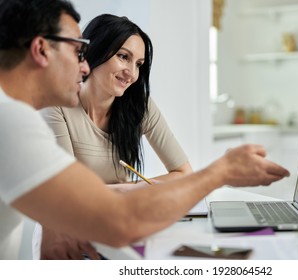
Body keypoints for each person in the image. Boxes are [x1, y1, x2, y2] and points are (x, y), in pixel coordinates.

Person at [0, 0, 290, 260]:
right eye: (78, 51)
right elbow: (115, 219)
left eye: (138, 63)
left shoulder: (12, 117)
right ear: (40, 50)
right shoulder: (12, 123)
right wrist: (221, 171)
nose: (84, 66)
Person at [35, 14, 193, 259]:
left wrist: (127, 190)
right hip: (68, 235)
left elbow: (184, 174)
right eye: (123, 57)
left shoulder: (139, 107)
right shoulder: (57, 105)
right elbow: (68, 194)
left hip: (118, 231)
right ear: (95, 51)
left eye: (139, 64)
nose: (131, 73)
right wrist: (133, 190)